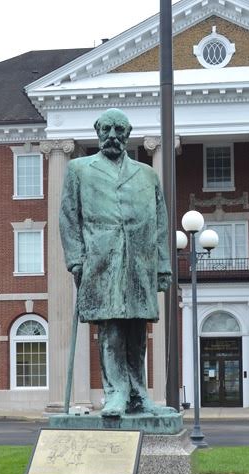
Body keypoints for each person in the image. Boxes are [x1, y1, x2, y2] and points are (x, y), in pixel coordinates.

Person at [59, 108, 172, 417]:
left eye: (119, 130)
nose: (112, 135)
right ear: (98, 132)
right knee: (110, 330)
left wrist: (163, 265)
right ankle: (116, 393)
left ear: (127, 134)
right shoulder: (79, 169)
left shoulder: (147, 174)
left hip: (140, 262)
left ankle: (140, 394)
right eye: (106, 129)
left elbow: (161, 222)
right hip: (101, 261)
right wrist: (75, 260)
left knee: (137, 331)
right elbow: (69, 218)